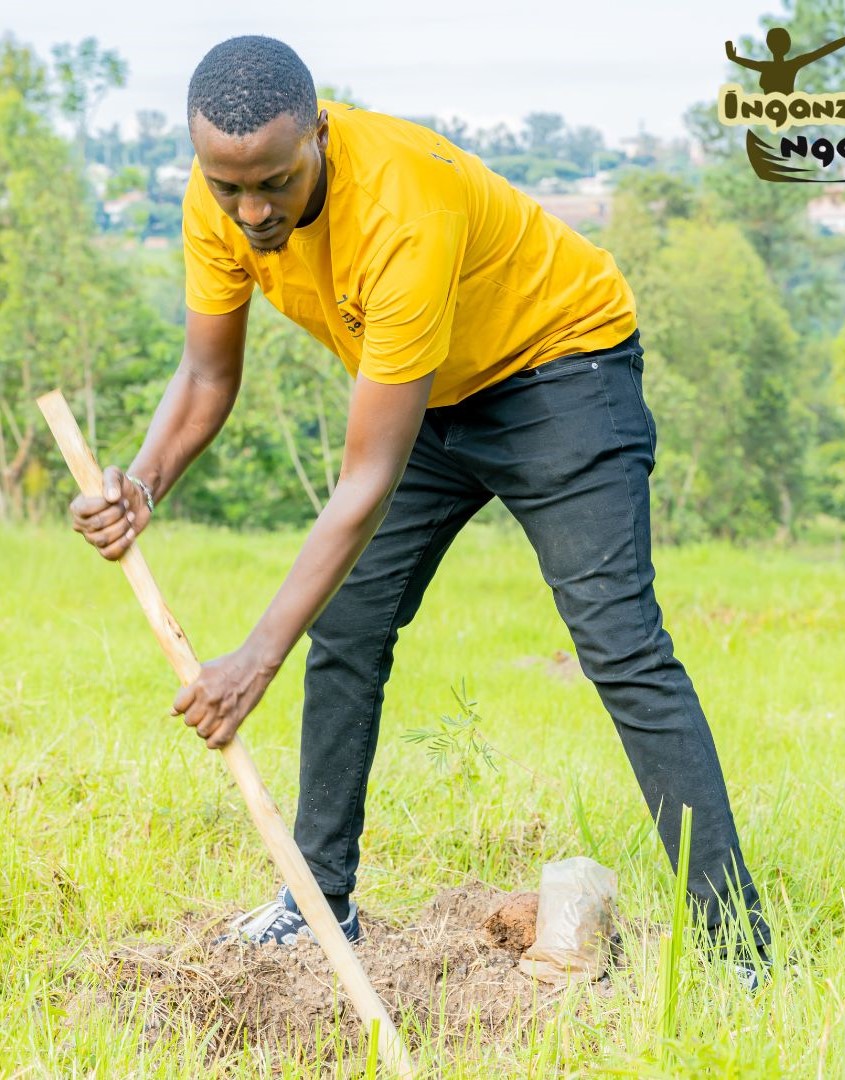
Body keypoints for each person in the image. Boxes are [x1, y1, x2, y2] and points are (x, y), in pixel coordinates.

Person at [70, 36, 771, 977]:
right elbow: (204, 374)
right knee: (347, 623)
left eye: (274, 183)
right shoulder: (220, 199)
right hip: (430, 389)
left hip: (561, 370)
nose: (252, 210)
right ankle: (319, 901)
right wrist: (144, 483)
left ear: (319, 134)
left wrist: (255, 659)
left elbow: (364, 483)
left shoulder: (403, 207)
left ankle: (737, 946)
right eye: (228, 185)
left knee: (619, 645)